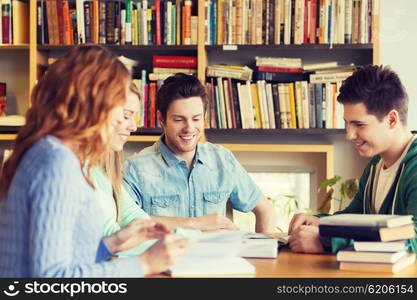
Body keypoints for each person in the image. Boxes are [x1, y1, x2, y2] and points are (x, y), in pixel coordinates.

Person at [0, 45, 189, 277]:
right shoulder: (56, 163)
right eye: (119, 106)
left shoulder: (50, 153)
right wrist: (144, 264)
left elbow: (62, 261)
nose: (123, 118)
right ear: (95, 103)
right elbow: (50, 279)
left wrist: (113, 243)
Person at [288, 65, 417, 254]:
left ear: (391, 120)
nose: (349, 135)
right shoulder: (376, 164)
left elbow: (413, 238)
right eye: (348, 123)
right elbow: (356, 216)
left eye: (359, 124)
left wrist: (326, 241)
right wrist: (319, 222)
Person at [123, 73, 275, 233]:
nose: (189, 128)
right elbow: (126, 223)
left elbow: (265, 210)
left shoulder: (223, 160)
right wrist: (195, 223)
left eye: (196, 119)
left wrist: (264, 252)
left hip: (217, 257)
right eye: (179, 120)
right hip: (165, 257)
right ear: (162, 119)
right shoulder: (135, 168)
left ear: (205, 118)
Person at [94, 83, 201, 256]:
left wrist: (198, 238)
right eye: (126, 116)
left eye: (196, 118)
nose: (133, 127)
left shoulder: (103, 169)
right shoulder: (74, 170)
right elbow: (110, 238)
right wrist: (189, 243)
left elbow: (134, 218)